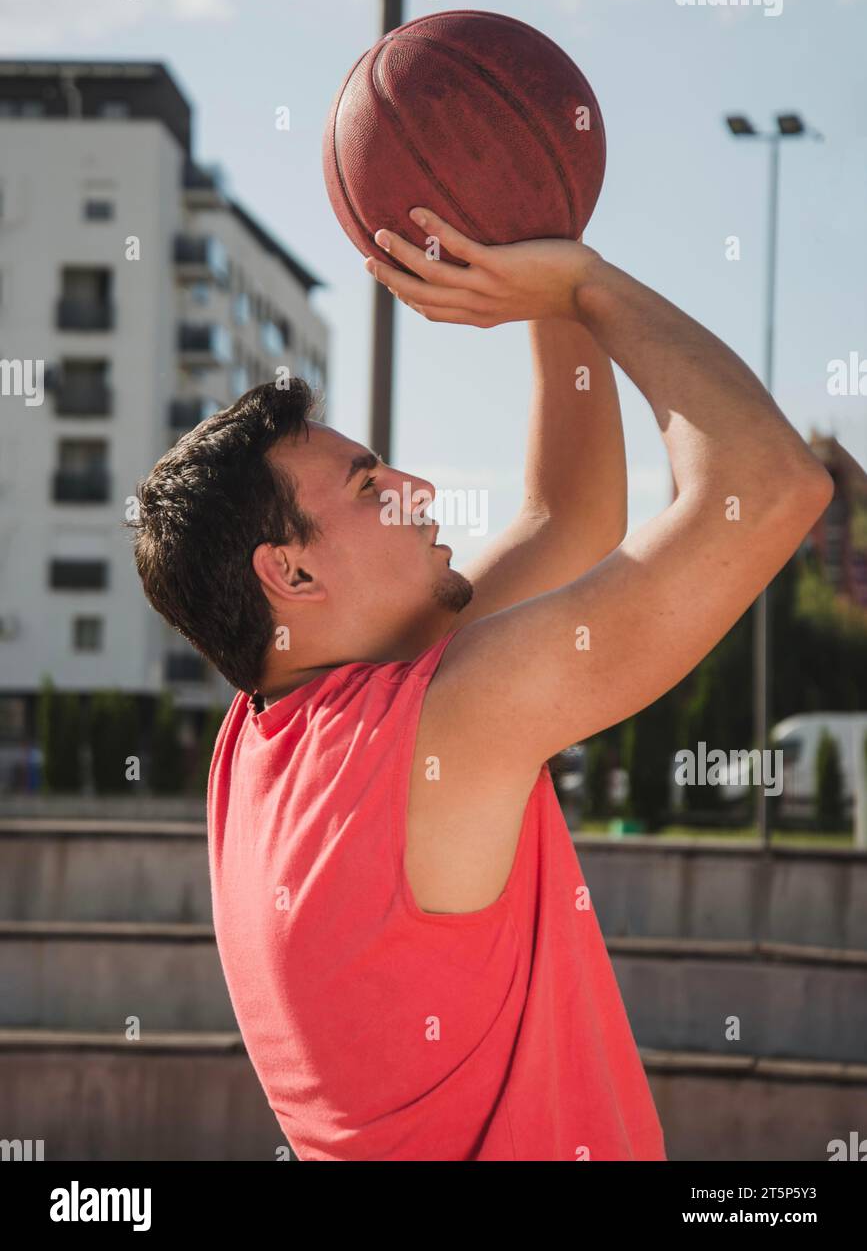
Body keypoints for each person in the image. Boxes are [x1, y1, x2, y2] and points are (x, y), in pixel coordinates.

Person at [131, 208, 832, 1160]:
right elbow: (771, 484)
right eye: (370, 485)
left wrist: (535, 252)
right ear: (288, 575)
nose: (416, 488)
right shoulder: (430, 729)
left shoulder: (268, 737)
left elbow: (566, 517)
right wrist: (585, 284)